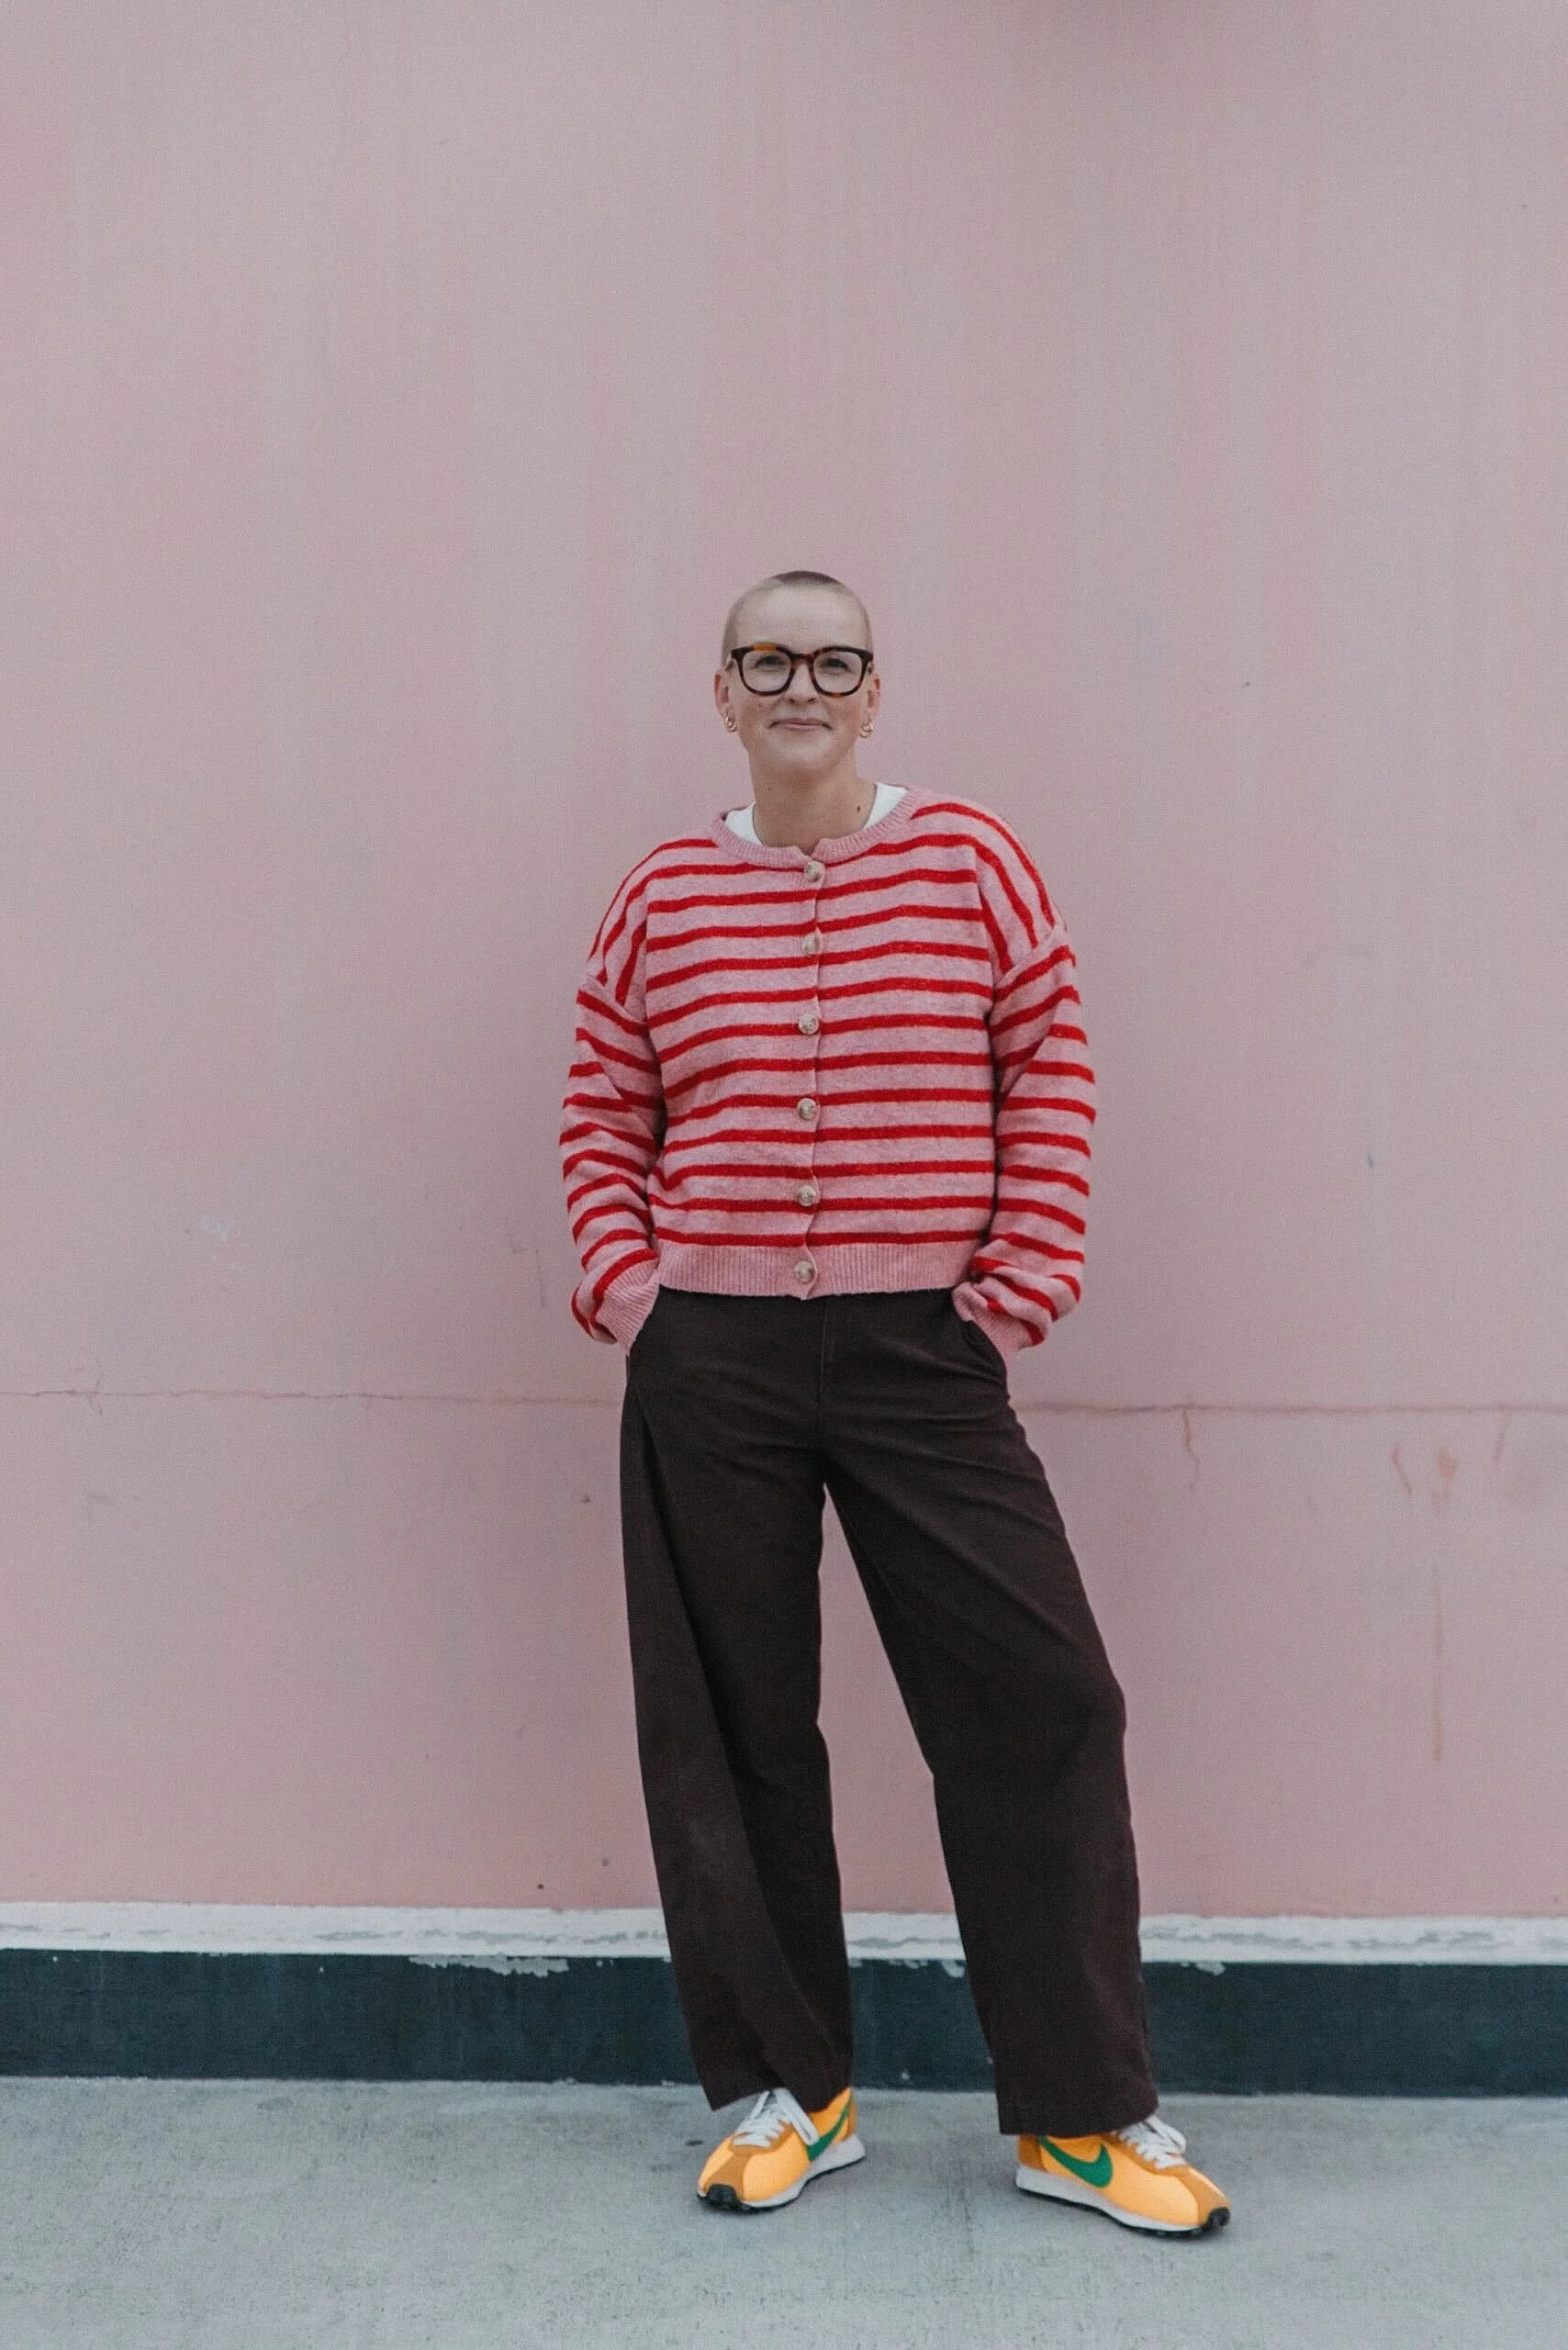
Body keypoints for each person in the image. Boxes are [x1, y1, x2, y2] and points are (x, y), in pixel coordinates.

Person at [559, 570, 1230, 2234]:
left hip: (925, 1350)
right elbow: (603, 1092)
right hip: (709, 1352)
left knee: (1043, 1699)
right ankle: (797, 2096)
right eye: (768, 660)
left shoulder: (968, 858)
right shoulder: (661, 890)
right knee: (734, 1728)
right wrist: (632, 1290)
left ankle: (1080, 2118)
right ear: (723, 692)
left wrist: (1014, 1283)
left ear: (873, 690)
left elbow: (1048, 1052)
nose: (802, 684)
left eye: (832, 659)